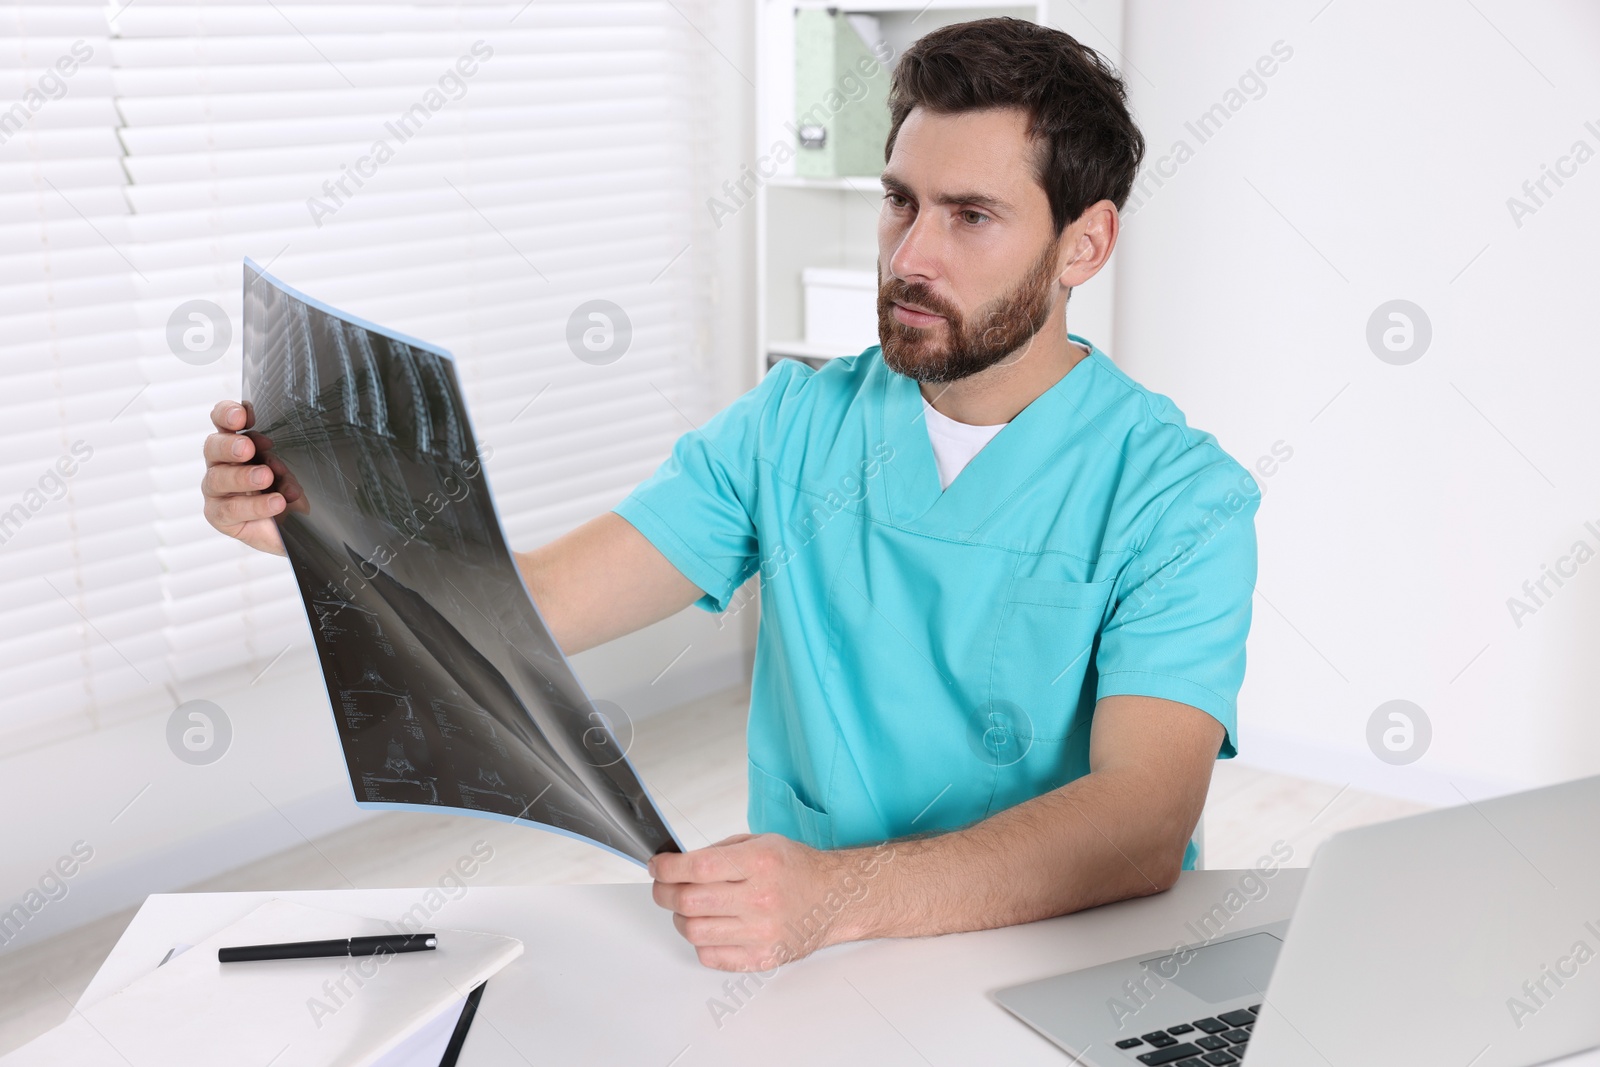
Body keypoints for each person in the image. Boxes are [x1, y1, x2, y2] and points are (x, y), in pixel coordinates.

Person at [200, 18, 1259, 974]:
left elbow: (1138, 821)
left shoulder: (1179, 495)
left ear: (1086, 242)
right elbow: (533, 604)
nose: (910, 255)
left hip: (1058, 954)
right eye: (899, 202)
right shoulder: (790, 425)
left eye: (970, 216)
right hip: (811, 961)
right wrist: (315, 512)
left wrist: (839, 893)